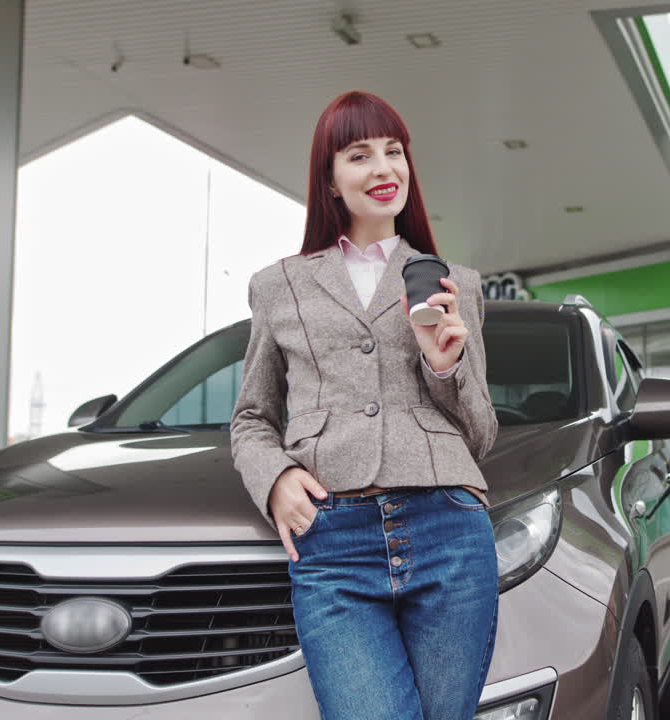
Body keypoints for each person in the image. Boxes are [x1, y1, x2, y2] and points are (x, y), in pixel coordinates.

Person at [229, 90, 499, 720]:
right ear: (329, 180)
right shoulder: (280, 286)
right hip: (335, 542)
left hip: (448, 529)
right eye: (360, 155)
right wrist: (274, 479)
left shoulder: (455, 282)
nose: (384, 169)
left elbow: (481, 436)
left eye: (394, 151)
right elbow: (251, 417)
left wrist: (443, 363)